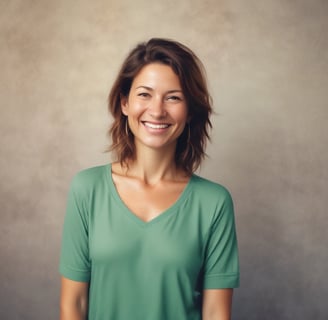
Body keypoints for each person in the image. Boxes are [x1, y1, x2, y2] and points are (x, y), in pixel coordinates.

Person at [59, 38, 239, 320]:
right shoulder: (87, 189)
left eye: (174, 97)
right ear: (124, 103)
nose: (157, 111)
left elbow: (216, 313)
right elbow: (74, 305)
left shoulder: (214, 203)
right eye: (144, 94)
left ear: (190, 111)